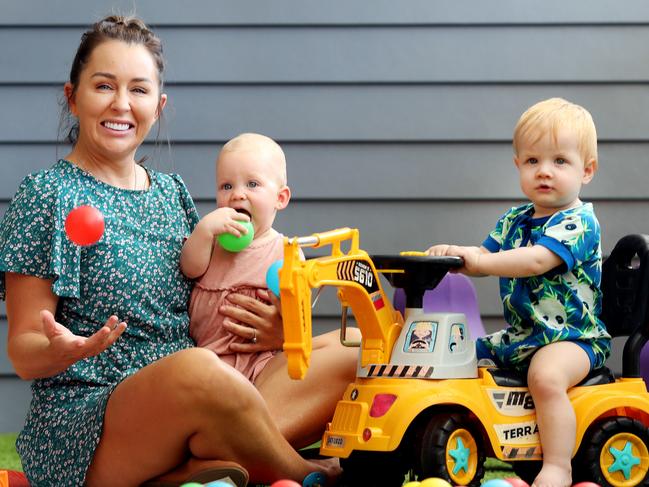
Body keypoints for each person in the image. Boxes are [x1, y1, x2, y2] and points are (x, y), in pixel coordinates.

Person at [0, 15, 356, 487]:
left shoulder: (173, 194)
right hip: (95, 421)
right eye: (104, 85)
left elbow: (221, 289)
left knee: (350, 351)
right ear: (73, 95)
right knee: (195, 370)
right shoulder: (46, 194)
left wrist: (279, 330)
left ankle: (200, 465)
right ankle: (309, 474)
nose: (121, 104)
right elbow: (24, 351)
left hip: (210, 386)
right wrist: (64, 351)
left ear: (159, 105)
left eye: (139, 90)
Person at [426, 97, 611, 487]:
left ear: (587, 170)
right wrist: (454, 254)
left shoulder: (579, 222)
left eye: (560, 161)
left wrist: (477, 262)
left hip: (574, 339)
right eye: (532, 161)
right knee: (455, 355)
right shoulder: (513, 219)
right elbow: (482, 255)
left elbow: (534, 262)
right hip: (523, 337)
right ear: (518, 166)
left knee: (545, 377)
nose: (544, 171)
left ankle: (559, 465)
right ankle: (464, 439)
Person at [181, 132, 360, 444]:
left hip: (264, 363)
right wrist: (204, 230)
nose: (237, 195)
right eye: (227, 186)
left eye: (252, 184)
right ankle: (241, 438)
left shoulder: (285, 251)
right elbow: (189, 267)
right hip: (212, 360)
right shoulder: (212, 244)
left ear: (281, 198)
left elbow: (296, 321)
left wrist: (286, 326)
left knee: (354, 339)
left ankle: (262, 434)